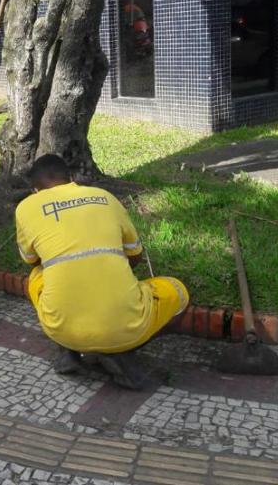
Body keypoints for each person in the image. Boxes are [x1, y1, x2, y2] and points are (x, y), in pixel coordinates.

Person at [15, 154, 189, 390]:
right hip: (128, 328)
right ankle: (121, 350)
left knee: (37, 276)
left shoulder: (26, 207)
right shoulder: (104, 197)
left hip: (61, 330)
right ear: (73, 178)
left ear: (35, 190)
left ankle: (70, 350)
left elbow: (31, 260)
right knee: (178, 290)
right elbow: (135, 255)